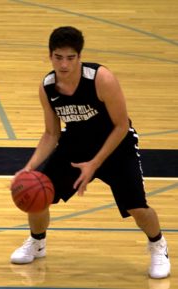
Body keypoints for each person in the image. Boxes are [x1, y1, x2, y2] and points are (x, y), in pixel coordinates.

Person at [10, 26, 170, 279]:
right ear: (50, 56)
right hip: (76, 145)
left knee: (137, 207)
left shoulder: (101, 79)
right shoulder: (48, 87)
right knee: (38, 193)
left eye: (70, 58)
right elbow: (52, 134)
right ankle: (37, 242)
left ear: (79, 56)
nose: (64, 64)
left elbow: (121, 126)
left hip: (117, 146)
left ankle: (158, 245)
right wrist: (29, 168)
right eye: (58, 57)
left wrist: (95, 163)